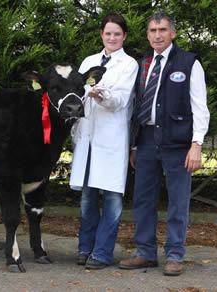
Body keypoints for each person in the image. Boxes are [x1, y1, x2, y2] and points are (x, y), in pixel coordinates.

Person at [118, 11, 210, 276]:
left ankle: (174, 254)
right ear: (147, 35)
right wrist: (135, 145)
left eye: (162, 30)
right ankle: (146, 252)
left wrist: (196, 144)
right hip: (146, 141)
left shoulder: (189, 62)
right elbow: (137, 106)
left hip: (178, 143)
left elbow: (200, 107)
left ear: (173, 33)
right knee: (143, 200)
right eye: (152, 31)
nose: (157, 35)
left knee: (178, 201)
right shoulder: (144, 62)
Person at [69, 14, 138, 269]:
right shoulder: (89, 61)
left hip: (112, 138)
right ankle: (85, 248)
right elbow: (76, 93)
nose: (112, 38)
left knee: (111, 199)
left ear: (124, 37)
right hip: (88, 137)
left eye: (117, 34)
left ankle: (102, 253)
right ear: (101, 34)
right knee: (87, 198)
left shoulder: (129, 65)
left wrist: (100, 96)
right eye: (108, 33)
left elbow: (121, 99)